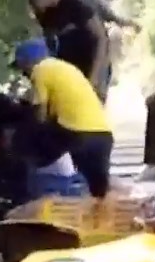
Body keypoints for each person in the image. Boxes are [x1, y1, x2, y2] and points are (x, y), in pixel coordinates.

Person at [10, 38, 114, 200]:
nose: (24, 74)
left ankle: (27, 192)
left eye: (22, 69)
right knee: (99, 194)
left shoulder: (40, 70)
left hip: (75, 134)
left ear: (27, 62)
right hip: (103, 136)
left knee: (25, 140)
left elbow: (40, 115)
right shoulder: (67, 68)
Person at [21, 0, 109, 95]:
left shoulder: (74, 3)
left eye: (34, 0)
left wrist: (93, 78)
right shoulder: (43, 15)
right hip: (71, 71)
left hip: (94, 65)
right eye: (30, 1)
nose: (33, 5)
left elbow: (101, 38)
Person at [62, 0, 139, 102]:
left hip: (70, 61)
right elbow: (117, 19)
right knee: (97, 97)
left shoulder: (60, 2)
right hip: (97, 58)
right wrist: (133, 24)